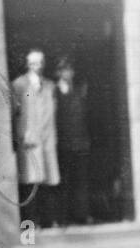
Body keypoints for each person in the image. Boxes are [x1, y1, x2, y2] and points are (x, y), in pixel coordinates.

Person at [11, 49, 60, 226]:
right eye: (33, 63)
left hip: (46, 138)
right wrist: (22, 135)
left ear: (43, 64)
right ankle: (30, 226)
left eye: (39, 63)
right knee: (30, 182)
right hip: (29, 140)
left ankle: (48, 221)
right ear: (27, 64)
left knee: (47, 181)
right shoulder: (19, 85)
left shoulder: (49, 85)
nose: (36, 67)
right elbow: (14, 113)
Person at [53, 57, 92, 226]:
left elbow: (85, 116)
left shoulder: (79, 90)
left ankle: (82, 215)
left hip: (80, 142)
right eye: (64, 69)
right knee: (63, 181)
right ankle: (62, 217)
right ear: (59, 72)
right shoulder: (53, 91)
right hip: (62, 143)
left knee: (81, 181)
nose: (68, 72)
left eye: (70, 69)